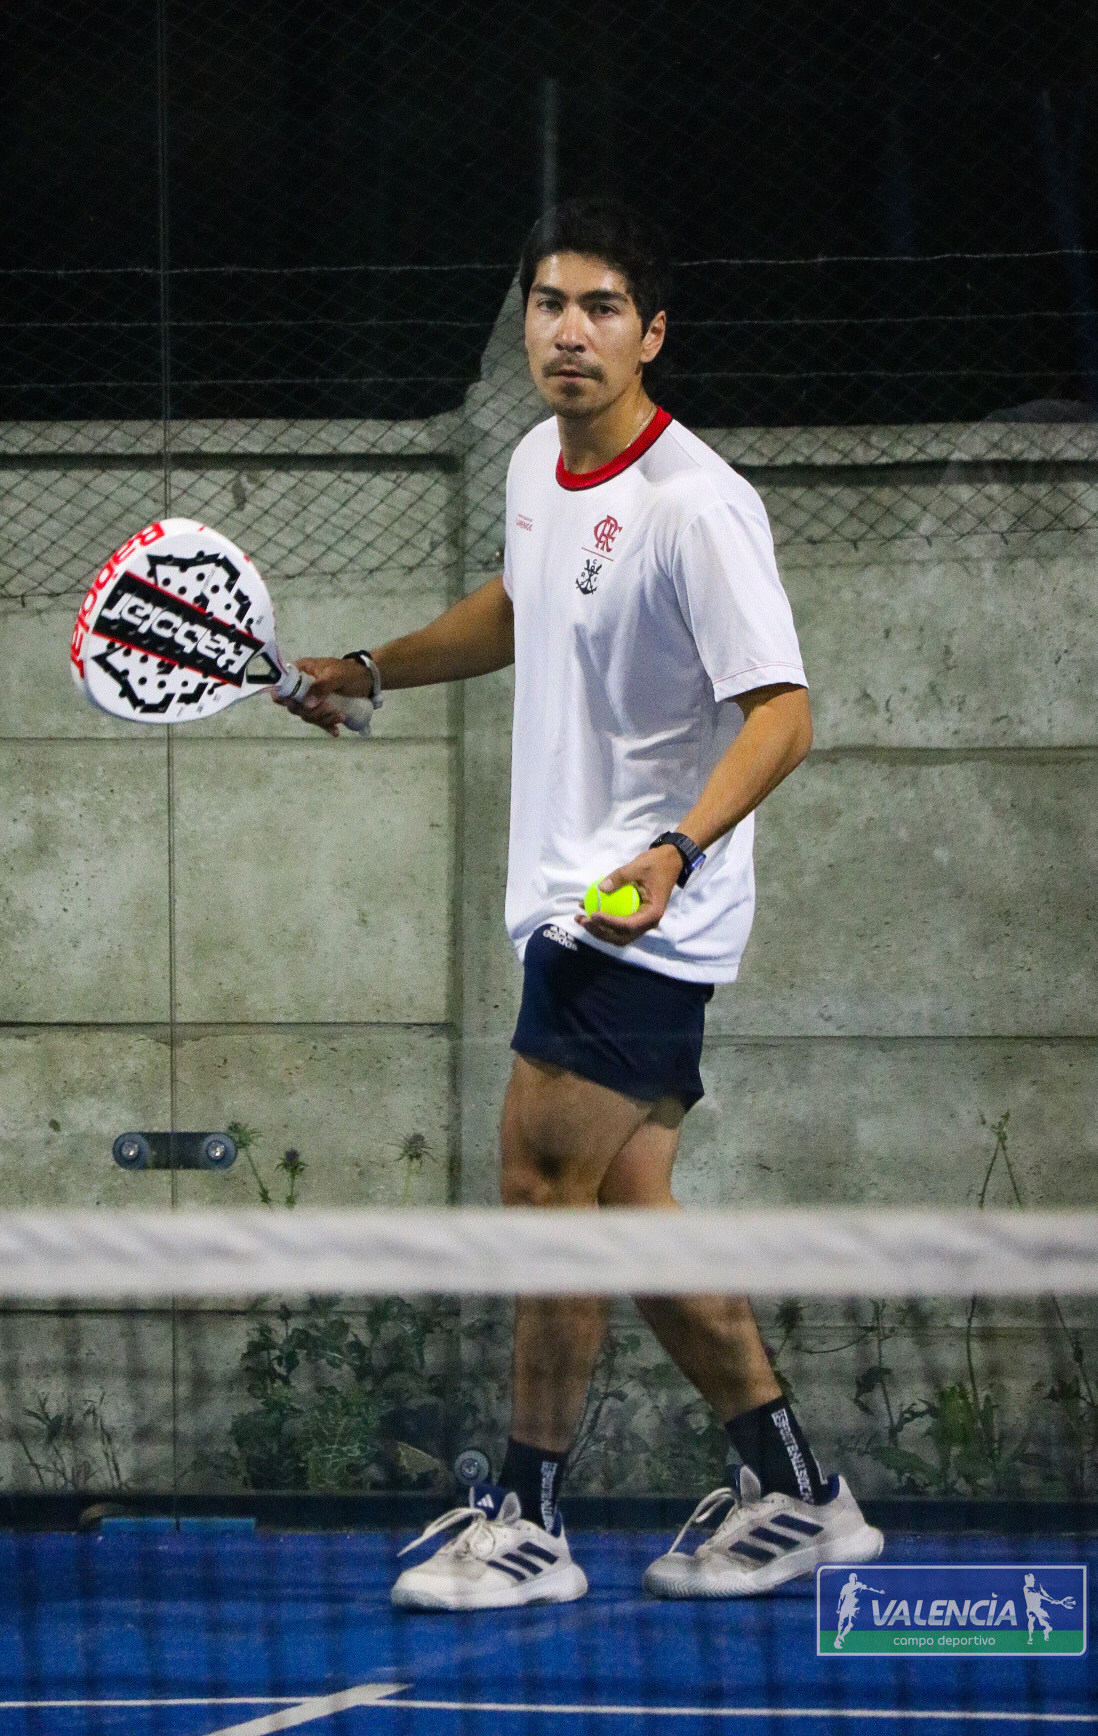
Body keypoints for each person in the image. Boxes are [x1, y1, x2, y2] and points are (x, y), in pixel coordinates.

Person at [284, 198, 884, 1607]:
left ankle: (531, 1521)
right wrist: (369, 669)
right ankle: (801, 1491)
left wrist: (675, 853)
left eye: (602, 307)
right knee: (621, 1204)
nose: (570, 330)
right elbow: (523, 602)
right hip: (569, 895)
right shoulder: (535, 469)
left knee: (541, 1190)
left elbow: (784, 714)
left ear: (651, 334)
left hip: (636, 912)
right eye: (549, 304)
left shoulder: (698, 505)